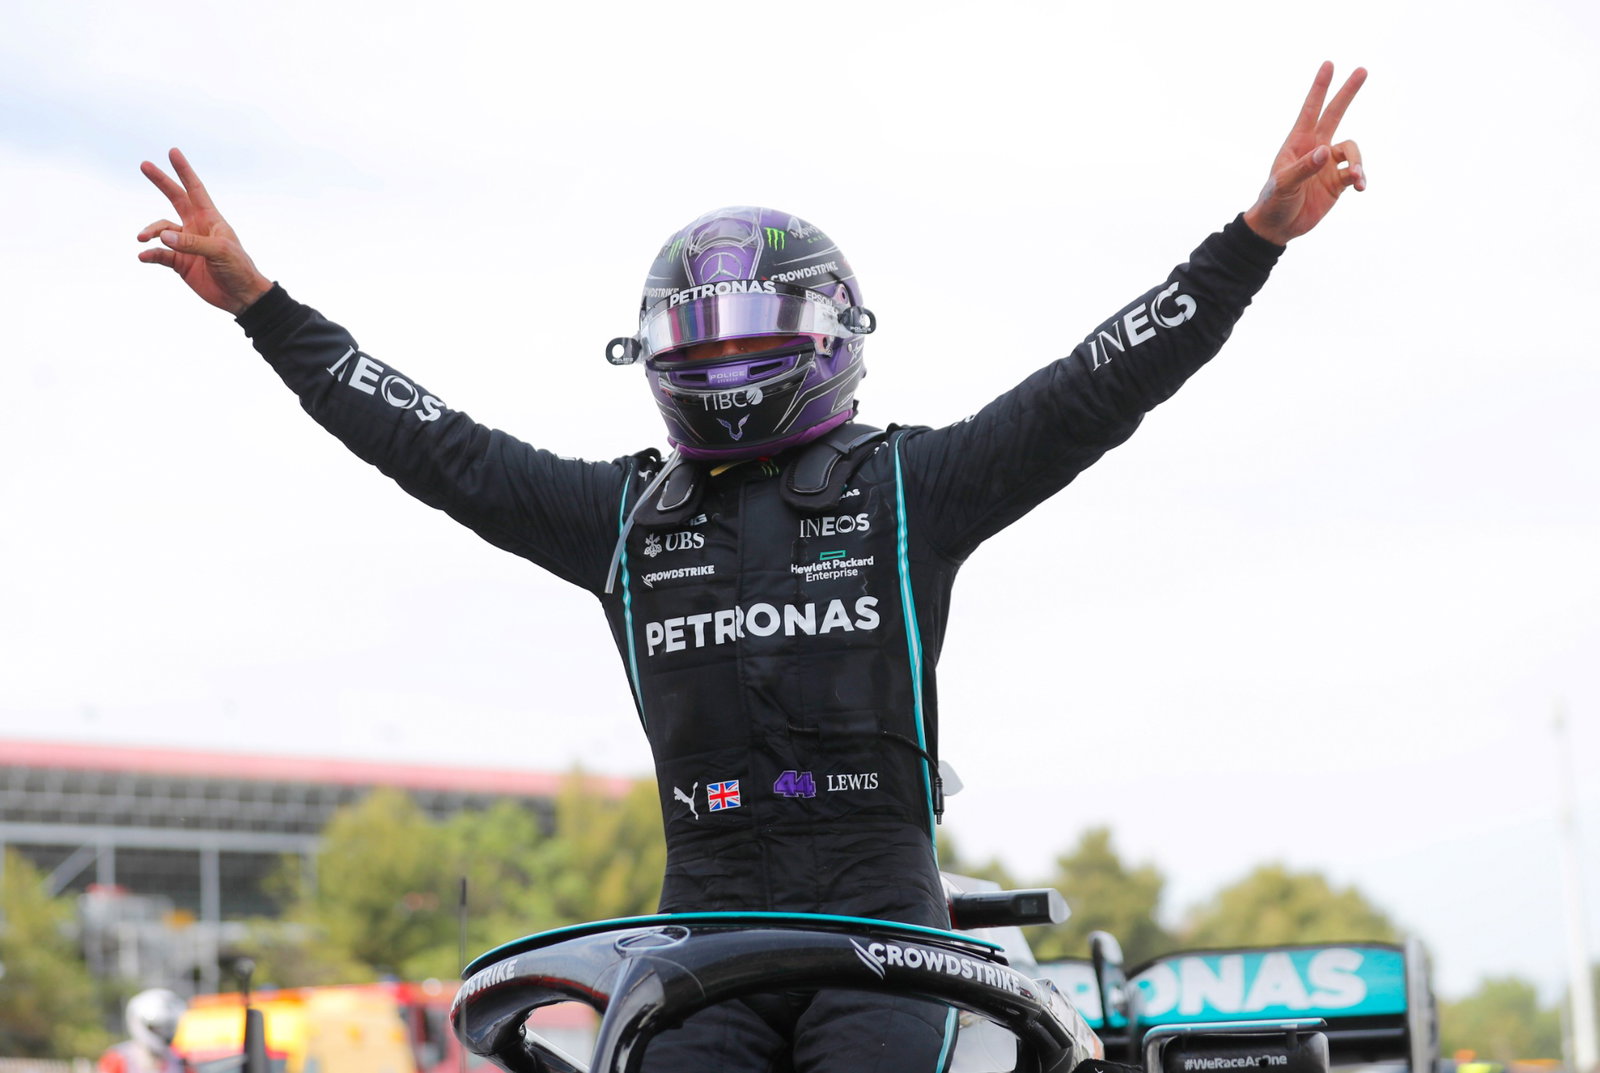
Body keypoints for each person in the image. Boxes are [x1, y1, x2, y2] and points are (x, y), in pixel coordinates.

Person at [136, 63, 1366, 1073]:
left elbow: (1098, 383)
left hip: (888, 936)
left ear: (825, 337)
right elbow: (429, 442)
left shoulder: (908, 487)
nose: (723, 364)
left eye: (753, 340)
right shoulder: (619, 516)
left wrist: (1251, 238)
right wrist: (261, 303)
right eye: (699, 343)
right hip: (699, 944)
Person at [98, 989, 190, 1073]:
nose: (163, 1033)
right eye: (157, 1028)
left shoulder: (179, 1061)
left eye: (167, 1027)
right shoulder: (118, 1059)